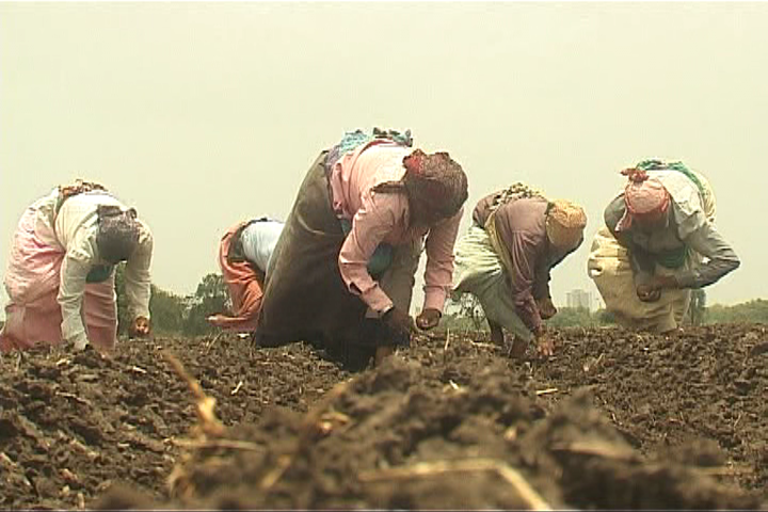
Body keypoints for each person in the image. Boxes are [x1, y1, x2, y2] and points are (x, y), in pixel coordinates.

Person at [255, 128, 469, 369]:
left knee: (404, 261)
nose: (437, 223)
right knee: (295, 281)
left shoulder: (448, 206)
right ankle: (271, 341)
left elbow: (440, 259)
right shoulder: (386, 202)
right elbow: (351, 262)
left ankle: (382, 357)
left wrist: (434, 306)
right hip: (335, 185)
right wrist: (387, 311)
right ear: (421, 206)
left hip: (391, 217)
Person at [0, 180, 153, 353]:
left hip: (81, 222)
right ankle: (19, 343)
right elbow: (69, 301)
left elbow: (139, 278)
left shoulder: (141, 238)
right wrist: (81, 346)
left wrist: (141, 315)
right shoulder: (82, 249)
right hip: (50, 227)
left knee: (102, 326)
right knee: (40, 290)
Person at [588, 160, 740, 333]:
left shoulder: (689, 219)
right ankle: (657, 328)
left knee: (672, 295)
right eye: (643, 227)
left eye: (654, 225)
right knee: (606, 268)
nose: (650, 233)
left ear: (665, 211)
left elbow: (728, 259)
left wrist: (669, 281)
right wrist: (642, 278)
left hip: (695, 196)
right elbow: (635, 247)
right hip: (646, 218)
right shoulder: (615, 215)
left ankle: (668, 329)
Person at [453, 183, 587, 357]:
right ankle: (498, 337)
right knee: (495, 279)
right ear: (548, 226)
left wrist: (542, 294)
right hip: (489, 223)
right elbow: (521, 293)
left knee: (529, 307)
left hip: (518, 231)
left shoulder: (574, 237)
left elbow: (543, 264)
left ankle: (514, 361)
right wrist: (540, 333)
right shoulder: (528, 237)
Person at [206, 217, 284, 331]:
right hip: (235, 248)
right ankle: (225, 326)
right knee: (256, 311)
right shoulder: (286, 262)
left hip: (256, 235)